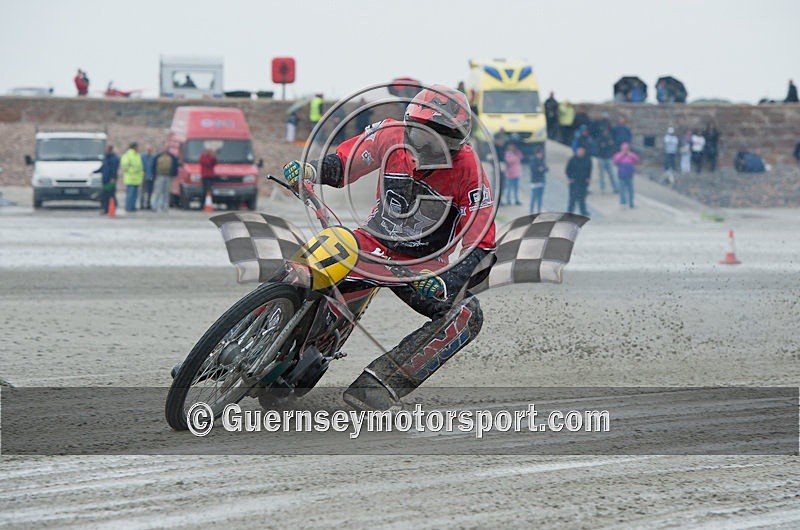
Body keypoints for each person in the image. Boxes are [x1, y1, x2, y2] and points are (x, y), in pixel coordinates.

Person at [282, 85, 496, 411]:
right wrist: (310, 170)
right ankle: (239, 338)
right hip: (370, 243)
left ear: (457, 143)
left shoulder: (472, 174)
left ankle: (379, 385)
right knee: (308, 262)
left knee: (467, 314)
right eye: (420, 135)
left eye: (439, 141)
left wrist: (446, 281)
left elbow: (481, 246)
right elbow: (345, 163)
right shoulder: (390, 135)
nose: (425, 147)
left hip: (418, 270)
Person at [93, 144, 119, 214]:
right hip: (105, 179)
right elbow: (103, 168)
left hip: (110, 180)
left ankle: (110, 208)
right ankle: (106, 208)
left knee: (109, 194)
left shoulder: (114, 158)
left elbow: (114, 169)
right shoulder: (106, 158)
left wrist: (113, 178)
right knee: (105, 194)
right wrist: (94, 172)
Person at [151, 146, 178, 212]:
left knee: (166, 192)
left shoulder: (171, 157)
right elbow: (153, 166)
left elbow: (175, 164)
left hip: (168, 176)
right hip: (160, 176)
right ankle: (155, 206)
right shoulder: (158, 157)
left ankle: (164, 206)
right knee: (158, 192)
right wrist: (154, 174)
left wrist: (173, 174)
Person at [566, 146, 591, 216]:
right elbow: (567, 170)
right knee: (572, 198)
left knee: (582, 198)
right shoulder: (572, 159)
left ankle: (583, 211)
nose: (580, 152)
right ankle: (570, 212)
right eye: (579, 151)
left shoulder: (587, 159)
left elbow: (589, 170)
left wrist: (588, 178)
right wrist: (570, 178)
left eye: (582, 151)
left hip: (583, 182)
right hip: (574, 182)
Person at [613, 142, 640, 209]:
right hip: (621, 175)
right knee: (622, 190)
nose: (625, 150)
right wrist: (622, 155)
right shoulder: (618, 155)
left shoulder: (631, 155)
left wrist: (630, 155)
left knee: (630, 190)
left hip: (630, 175)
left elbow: (637, 160)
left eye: (626, 149)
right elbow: (616, 161)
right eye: (624, 149)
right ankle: (623, 203)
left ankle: (631, 203)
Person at [120, 142, 143, 212]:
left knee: (135, 195)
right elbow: (125, 165)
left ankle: (133, 207)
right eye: (137, 147)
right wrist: (132, 170)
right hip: (130, 178)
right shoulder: (128, 155)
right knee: (130, 194)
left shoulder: (137, 155)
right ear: (134, 147)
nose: (138, 148)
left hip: (137, 178)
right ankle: (128, 207)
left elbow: (140, 166)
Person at [596, 127, 617, 193]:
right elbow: (598, 148)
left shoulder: (610, 139)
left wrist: (611, 154)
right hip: (601, 158)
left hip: (608, 158)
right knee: (601, 175)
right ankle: (602, 188)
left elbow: (613, 147)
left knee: (611, 174)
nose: (605, 132)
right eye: (604, 131)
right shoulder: (600, 139)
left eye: (606, 131)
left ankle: (615, 188)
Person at [529, 148, 547, 214]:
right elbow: (533, 169)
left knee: (540, 198)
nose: (540, 155)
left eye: (541, 154)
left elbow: (547, 169)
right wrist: (539, 169)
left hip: (542, 181)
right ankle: (531, 211)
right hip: (535, 182)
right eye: (539, 154)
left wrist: (542, 169)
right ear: (536, 154)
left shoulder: (542, 161)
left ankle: (539, 210)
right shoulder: (533, 161)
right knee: (534, 197)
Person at [139, 144, 155, 210]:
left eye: (150, 150)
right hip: (144, 176)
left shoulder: (153, 157)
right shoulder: (142, 156)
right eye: (148, 149)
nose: (149, 151)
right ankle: (142, 205)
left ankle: (148, 204)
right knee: (143, 191)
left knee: (150, 192)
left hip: (151, 176)